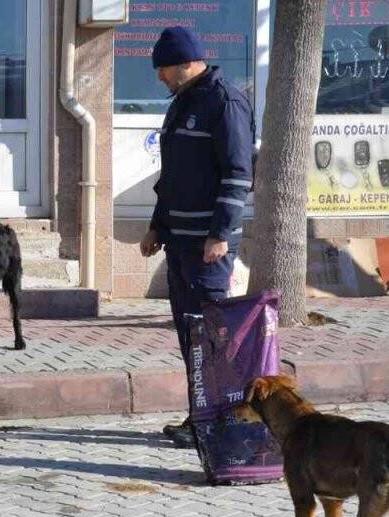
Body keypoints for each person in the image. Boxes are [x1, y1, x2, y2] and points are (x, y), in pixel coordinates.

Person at [139, 27, 255, 448]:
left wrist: (220, 233)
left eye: (163, 69)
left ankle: (227, 418)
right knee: (191, 333)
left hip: (210, 246)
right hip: (180, 242)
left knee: (213, 334)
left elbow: (238, 172)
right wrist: (157, 225)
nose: (159, 78)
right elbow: (171, 177)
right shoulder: (182, 102)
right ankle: (201, 416)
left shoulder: (224, 101)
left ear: (187, 63)